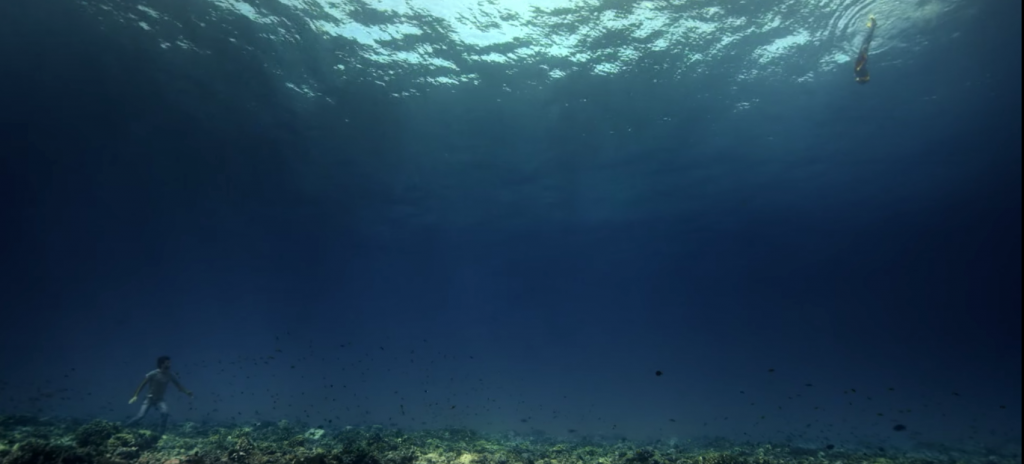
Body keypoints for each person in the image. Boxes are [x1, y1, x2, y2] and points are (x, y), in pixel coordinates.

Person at [125, 356, 193, 434]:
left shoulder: (170, 375)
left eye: (169, 363)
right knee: (140, 416)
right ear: (162, 364)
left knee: (165, 413)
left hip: (160, 399)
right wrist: (135, 395)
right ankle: (124, 427)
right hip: (149, 398)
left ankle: (160, 433)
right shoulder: (153, 374)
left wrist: (187, 392)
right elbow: (142, 385)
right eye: (167, 363)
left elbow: (178, 385)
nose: (170, 365)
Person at [854, 15, 877, 84]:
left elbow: (862, 64)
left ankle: (871, 27)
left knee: (867, 39)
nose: (856, 79)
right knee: (867, 39)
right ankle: (874, 24)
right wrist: (864, 55)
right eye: (858, 80)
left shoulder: (860, 73)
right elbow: (862, 63)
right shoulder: (859, 72)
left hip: (862, 54)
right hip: (863, 54)